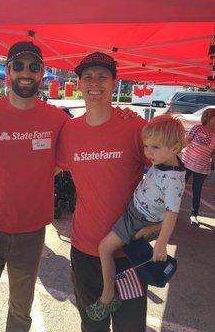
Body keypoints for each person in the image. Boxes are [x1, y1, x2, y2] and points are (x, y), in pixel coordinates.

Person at [0, 41, 70, 332]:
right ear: (8, 71)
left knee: (21, 315)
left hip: (31, 236)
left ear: (43, 72)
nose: (26, 72)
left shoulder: (57, 119)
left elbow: (79, 149)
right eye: (18, 66)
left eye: (34, 66)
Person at [56, 52, 161, 332]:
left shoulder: (135, 127)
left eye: (102, 77)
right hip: (85, 251)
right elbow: (46, 170)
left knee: (130, 327)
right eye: (87, 77)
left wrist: (160, 224)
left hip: (129, 255)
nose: (95, 83)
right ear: (78, 83)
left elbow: (169, 173)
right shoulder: (69, 131)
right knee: (92, 324)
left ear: (115, 82)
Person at [85, 115, 186, 321]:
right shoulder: (168, 161)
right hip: (140, 213)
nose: (148, 153)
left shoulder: (173, 179)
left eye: (155, 147)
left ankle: (108, 295)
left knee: (105, 248)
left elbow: (172, 213)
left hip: (138, 218)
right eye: (146, 146)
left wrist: (161, 244)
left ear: (175, 149)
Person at [182, 108, 215, 226]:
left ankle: (194, 215)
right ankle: (169, 211)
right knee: (178, 188)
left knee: (197, 191)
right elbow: (185, 142)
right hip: (186, 163)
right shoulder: (197, 128)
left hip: (202, 168)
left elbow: (213, 154)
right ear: (208, 118)